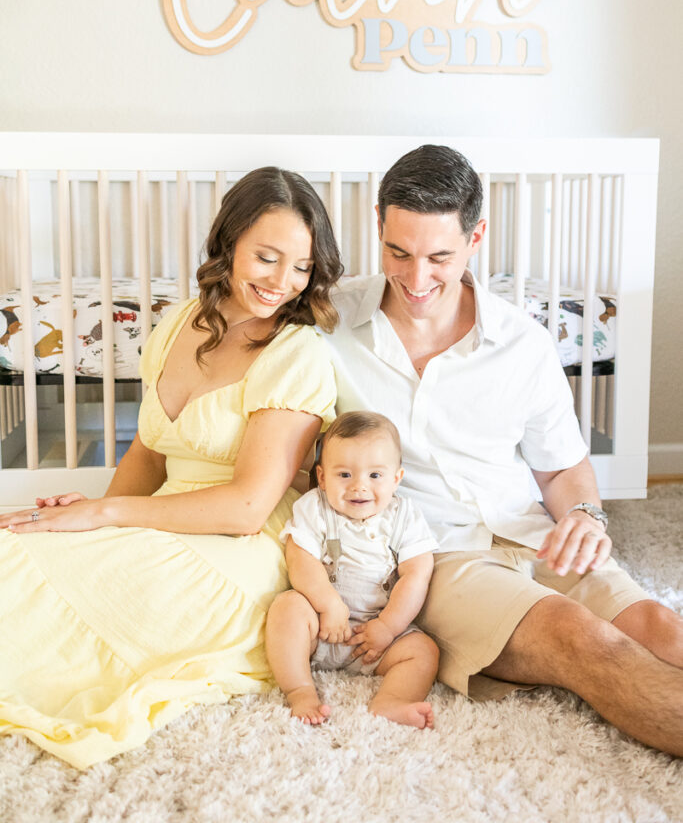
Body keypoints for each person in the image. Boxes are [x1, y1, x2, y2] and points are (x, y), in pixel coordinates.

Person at [323, 144, 683, 757]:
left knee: (659, 628)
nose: (416, 280)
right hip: (433, 558)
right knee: (581, 639)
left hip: (528, 530)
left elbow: (563, 466)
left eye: (439, 256)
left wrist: (585, 515)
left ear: (476, 236)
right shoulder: (327, 322)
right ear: (378, 223)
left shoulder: (522, 341)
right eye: (398, 253)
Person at [0, 166, 342, 769]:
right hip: (165, 517)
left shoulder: (297, 352)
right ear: (230, 240)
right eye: (266, 257)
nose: (282, 281)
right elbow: (149, 453)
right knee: (22, 547)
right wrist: (93, 522)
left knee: (63, 588)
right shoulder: (177, 323)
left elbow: (246, 508)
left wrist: (108, 513)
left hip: (241, 548)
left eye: (301, 267)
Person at [266, 410, 439, 729]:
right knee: (286, 608)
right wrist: (329, 605)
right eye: (344, 475)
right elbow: (299, 558)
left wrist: (388, 627)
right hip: (320, 628)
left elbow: (417, 573)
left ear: (396, 479)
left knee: (423, 650)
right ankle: (300, 690)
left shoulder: (405, 515)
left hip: (375, 639)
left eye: (375, 476)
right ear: (321, 477)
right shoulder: (314, 507)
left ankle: (391, 700)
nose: (359, 486)